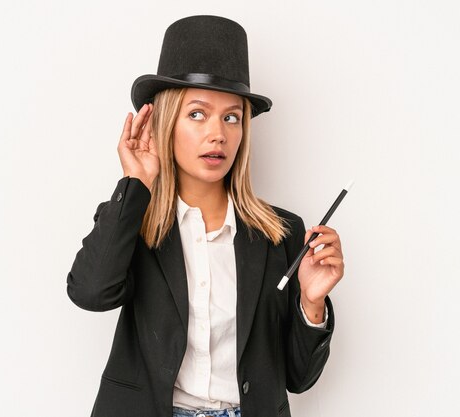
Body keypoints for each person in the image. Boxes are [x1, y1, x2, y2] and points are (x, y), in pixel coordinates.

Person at [67, 15, 344, 417]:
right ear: (166, 121)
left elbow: (298, 378)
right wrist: (136, 181)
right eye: (197, 113)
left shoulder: (281, 233)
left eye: (232, 117)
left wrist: (311, 303)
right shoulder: (134, 222)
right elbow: (90, 294)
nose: (218, 133)